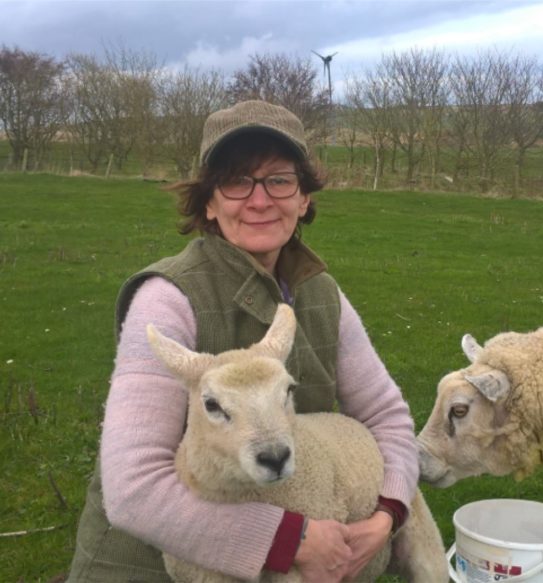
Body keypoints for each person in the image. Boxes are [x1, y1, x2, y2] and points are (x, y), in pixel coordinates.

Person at [68, 100, 419, 582]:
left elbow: (386, 415)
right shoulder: (168, 298)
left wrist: (389, 513)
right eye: (237, 181)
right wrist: (290, 539)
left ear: (304, 198)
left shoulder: (322, 295)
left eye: (279, 180)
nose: (259, 200)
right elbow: (133, 489)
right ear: (209, 202)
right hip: (148, 563)